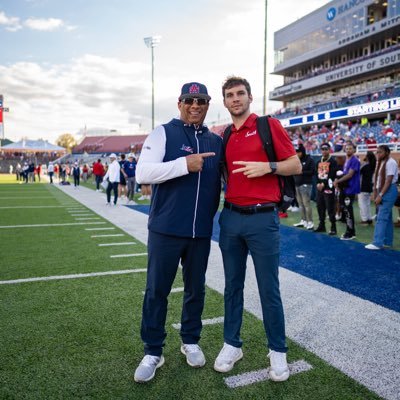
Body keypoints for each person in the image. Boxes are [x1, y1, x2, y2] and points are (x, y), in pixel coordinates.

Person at [134, 82, 223, 383]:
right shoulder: (163, 133)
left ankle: (190, 340)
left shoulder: (215, 139)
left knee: (195, 290)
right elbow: (143, 173)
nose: (195, 105)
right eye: (189, 100)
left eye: (201, 100)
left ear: (208, 104)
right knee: (157, 291)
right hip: (166, 230)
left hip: (200, 232)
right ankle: (152, 350)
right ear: (179, 102)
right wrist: (183, 164)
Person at [214, 76, 301, 381]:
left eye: (240, 93)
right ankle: (231, 344)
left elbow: (296, 165)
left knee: (269, 289)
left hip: (263, 219)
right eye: (229, 95)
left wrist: (269, 167)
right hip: (230, 218)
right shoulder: (225, 135)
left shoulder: (268, 125)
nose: (235, 98)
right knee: (232, 286)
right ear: (224, 102)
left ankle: (277, 351)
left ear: (250, 97)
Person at [365, 145, 399, 250]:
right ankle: (387, 241)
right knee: (387, 218)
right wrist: (376, 191)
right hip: (383, 189)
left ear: (387, 152)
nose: (378, 154)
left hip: (389, 190)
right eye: (377, 152)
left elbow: (388, 181)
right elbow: (379, 179)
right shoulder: (381, 162)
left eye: (380, 152)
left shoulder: (391, 162)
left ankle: (377, 243)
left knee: (381, 217)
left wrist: (380, 195)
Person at [333, 142, 360, 240]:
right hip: (345, 188)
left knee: (348, 211)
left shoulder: (355, 160)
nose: (348, 150)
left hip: (351, 189)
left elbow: (350, 175)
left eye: (350, 148)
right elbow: (344, 173)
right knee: (346, 210)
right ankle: (349, 231)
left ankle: (351, 232)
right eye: (347, 148)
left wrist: (337, 181)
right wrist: (338, 181)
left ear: (354, 150)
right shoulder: (347, 160)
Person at [314, 143, 338, 235]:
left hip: (329, 188)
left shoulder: (332, 161)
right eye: (322, 149)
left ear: (329, 149)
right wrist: (317, 184)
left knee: (330, 207)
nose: (324, 151)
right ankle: (321, 225)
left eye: (326, 149)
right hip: (320, 188)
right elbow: (316, 174)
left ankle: (333, 227)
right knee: (320, 207)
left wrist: (323, 184)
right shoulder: (318, 161)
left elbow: (332, 174)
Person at [292, 143, 315, 230]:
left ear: (302, 152)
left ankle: (310, 222)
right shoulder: (296, 160)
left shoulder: (309, 160)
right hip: (297, 184)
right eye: (296, 152)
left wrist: (302, 172)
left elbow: (312, 172)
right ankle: (303, 220)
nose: (297, 154)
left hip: (305, 184)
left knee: (306, 204)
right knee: (300, 204)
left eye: (298, 152)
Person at [359, 151, 376, 225]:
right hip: (369, 186)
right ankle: (369, 219)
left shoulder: (365, 166)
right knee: (367, 203)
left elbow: (358, 173)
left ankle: (364, 219)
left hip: (363, 186)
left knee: (362, 203)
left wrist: (363, 161)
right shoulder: (373, 165)